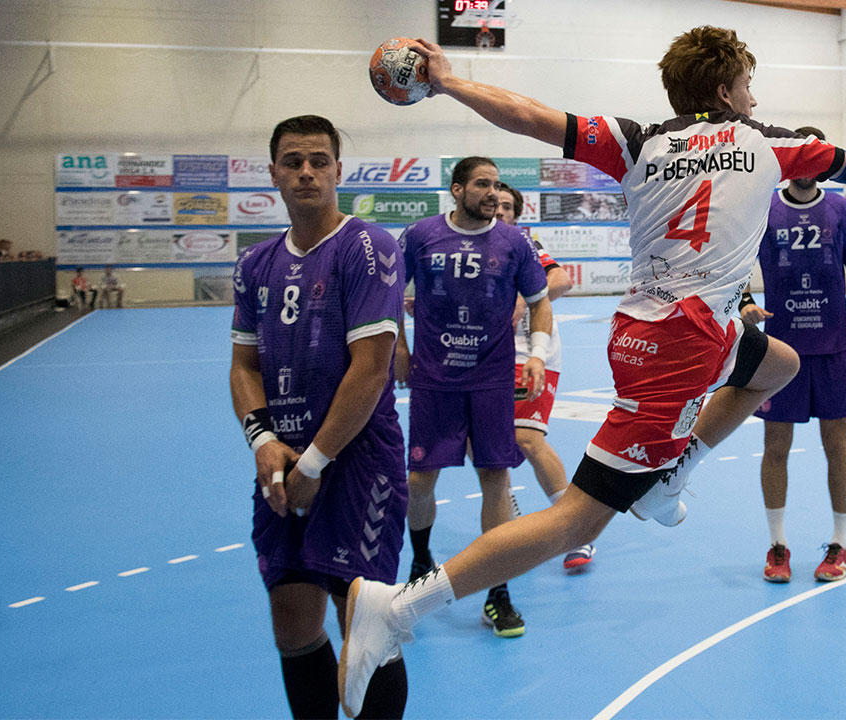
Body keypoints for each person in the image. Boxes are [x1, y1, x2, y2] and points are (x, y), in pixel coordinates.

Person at [337, 28, 846, 715]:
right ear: (724, 92)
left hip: (658, 332)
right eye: (748, 83)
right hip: (678, 354)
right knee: (575, 523)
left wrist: (446, 81)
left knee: (778, 363)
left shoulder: (634, 139)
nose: (753, 94)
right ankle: (397, 607)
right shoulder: (768, 143)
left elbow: (527, 114)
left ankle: (669, 478)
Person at [229, 115, 409, 718]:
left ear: (338, 169)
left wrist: (314, 460)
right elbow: (243, 366)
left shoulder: (368, 246)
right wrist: (262, 441)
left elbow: (371, 370)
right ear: (274, 171)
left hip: (355, 457)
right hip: (283, 458)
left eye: (318, 160)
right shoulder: (254, 264)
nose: (306, 171)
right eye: (292, 160)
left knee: (364, 622)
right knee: (290, 617)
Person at [394, 157, 554, 639]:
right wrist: (399, 347)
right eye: (482, 184)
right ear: (457, 189)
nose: (491, 192)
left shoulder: (514, 242)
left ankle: (497, 591)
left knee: (496, 479)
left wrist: (538, 354)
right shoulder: (420, 235)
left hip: (491, 378)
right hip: (433, 377)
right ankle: (421, 560)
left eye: (496, 185)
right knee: (420, 480)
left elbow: (541, 301)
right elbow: (387, 296)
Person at [738, 126, 846, 583]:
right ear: (788, 164)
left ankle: (841, 545)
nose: (807, 169)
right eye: (799, 160)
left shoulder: (841, 210)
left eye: (815, 161)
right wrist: (744, 301)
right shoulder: (761, 208)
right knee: (775, 447)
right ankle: (778, 545)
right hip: (780, 351)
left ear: (824, 165)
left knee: (836, 444)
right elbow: (730, 259)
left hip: (833, 347)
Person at [495, 183, 597, 570]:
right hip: (489, 361)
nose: (501, 211)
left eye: (508, 206)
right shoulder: (472, 247)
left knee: (527, 438)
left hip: (532, 355)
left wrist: (525, 298)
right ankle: (512, 520)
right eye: (497, 205)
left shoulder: (525, 244)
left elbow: (560, 281)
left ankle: (580, 530)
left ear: (516, 216)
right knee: (484, 444)